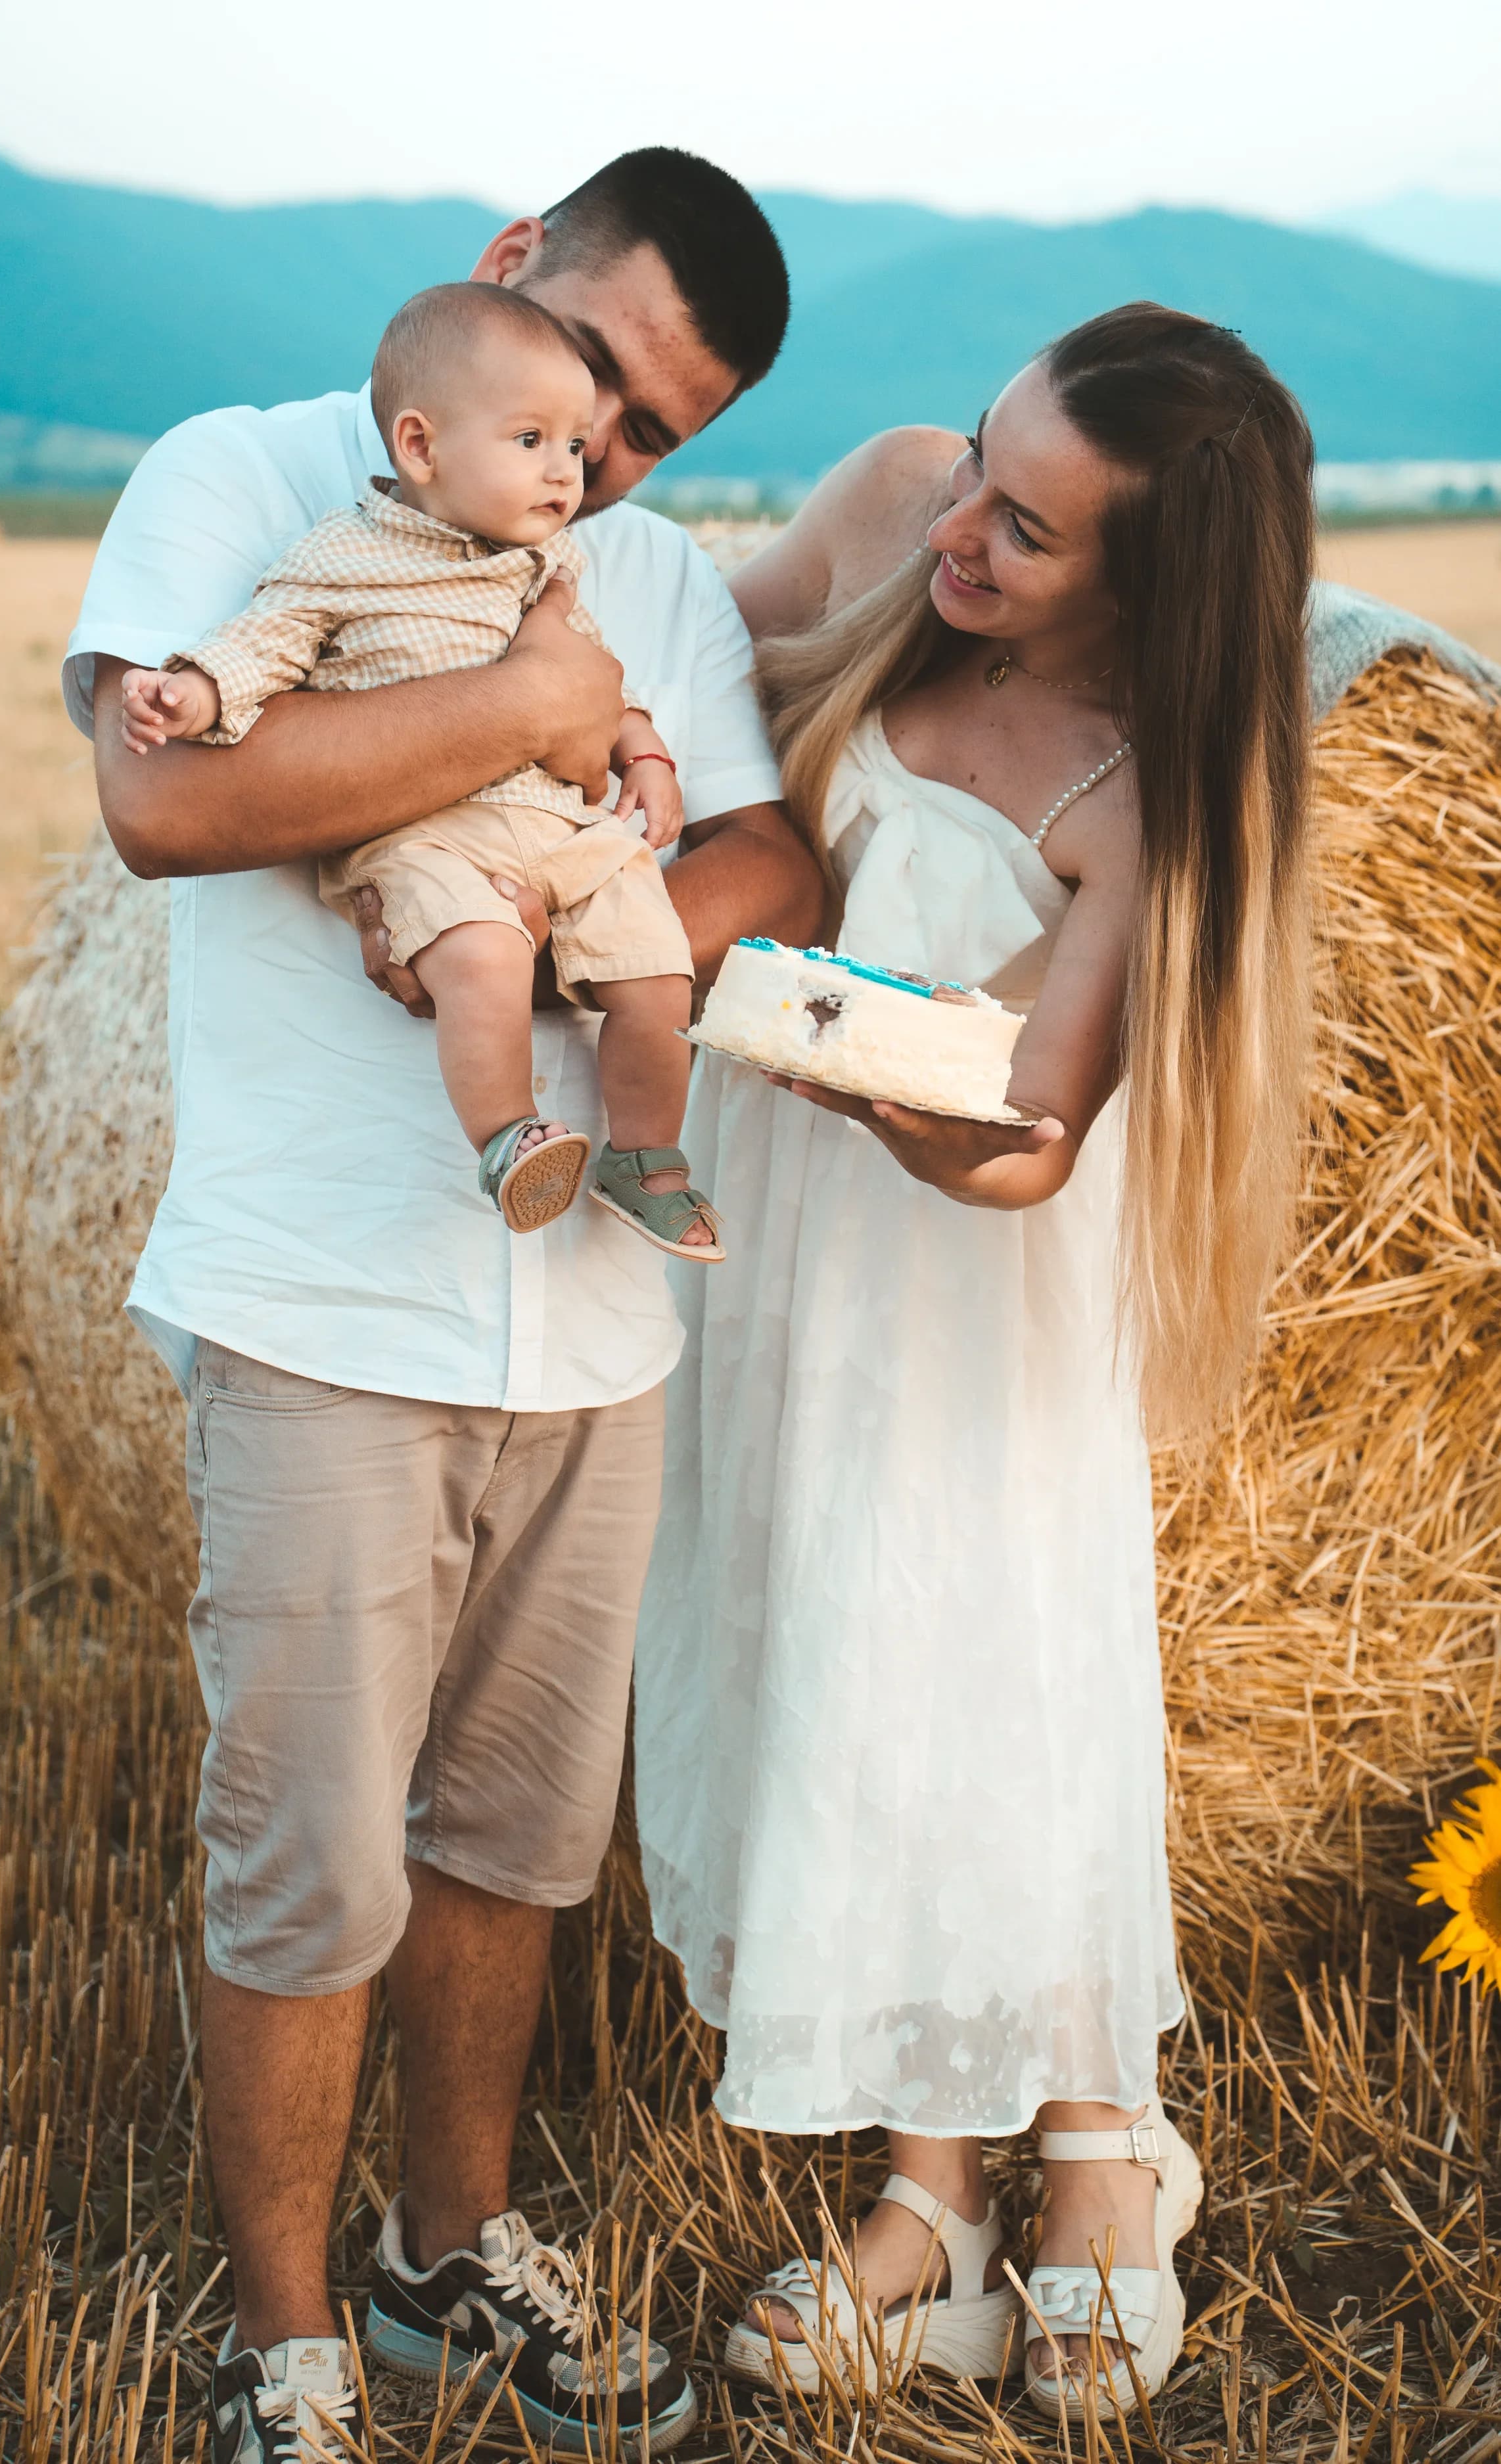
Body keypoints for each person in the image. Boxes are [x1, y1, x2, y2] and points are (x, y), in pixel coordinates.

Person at [65, 148, 821, 2461]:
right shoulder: (250, 480)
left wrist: (592, 890)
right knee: (307, 1844)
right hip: (325, 1305)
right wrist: (538, 713)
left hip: (595, 1318)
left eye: (663, 434)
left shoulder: (653, 570)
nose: (607, 447)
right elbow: (171, 799)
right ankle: (281, 2326)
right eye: (595, 374)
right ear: (514, 272)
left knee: (511, 1838)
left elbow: (769, 850)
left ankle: (444, 2257)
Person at [634, 304, 1315, 2423]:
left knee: (994, 1667)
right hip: (774, 1260)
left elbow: (1024, 1137)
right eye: (979, 473)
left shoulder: (1149, 782)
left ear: (1148, 583)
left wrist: (880, 1089)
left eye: (1027, 530)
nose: (963, 532)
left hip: (957, 1272)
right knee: (835, 1665)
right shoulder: (895, 510)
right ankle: (928, 2198)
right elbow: (651, 662)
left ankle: (1101, 2135)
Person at [120, 283, 721, 1257]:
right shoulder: (344, 555)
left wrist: (640, 749)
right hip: (427, 836)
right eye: (533, 439)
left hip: (559, 829)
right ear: (420, 445)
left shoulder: (542, 569)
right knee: (482, 956)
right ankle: (507, 1137)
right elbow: (264, 644)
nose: (570, 469)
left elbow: (597, 683)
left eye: (576, 446)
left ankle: (644, 1158)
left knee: (658, 970)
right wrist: (189, 693)